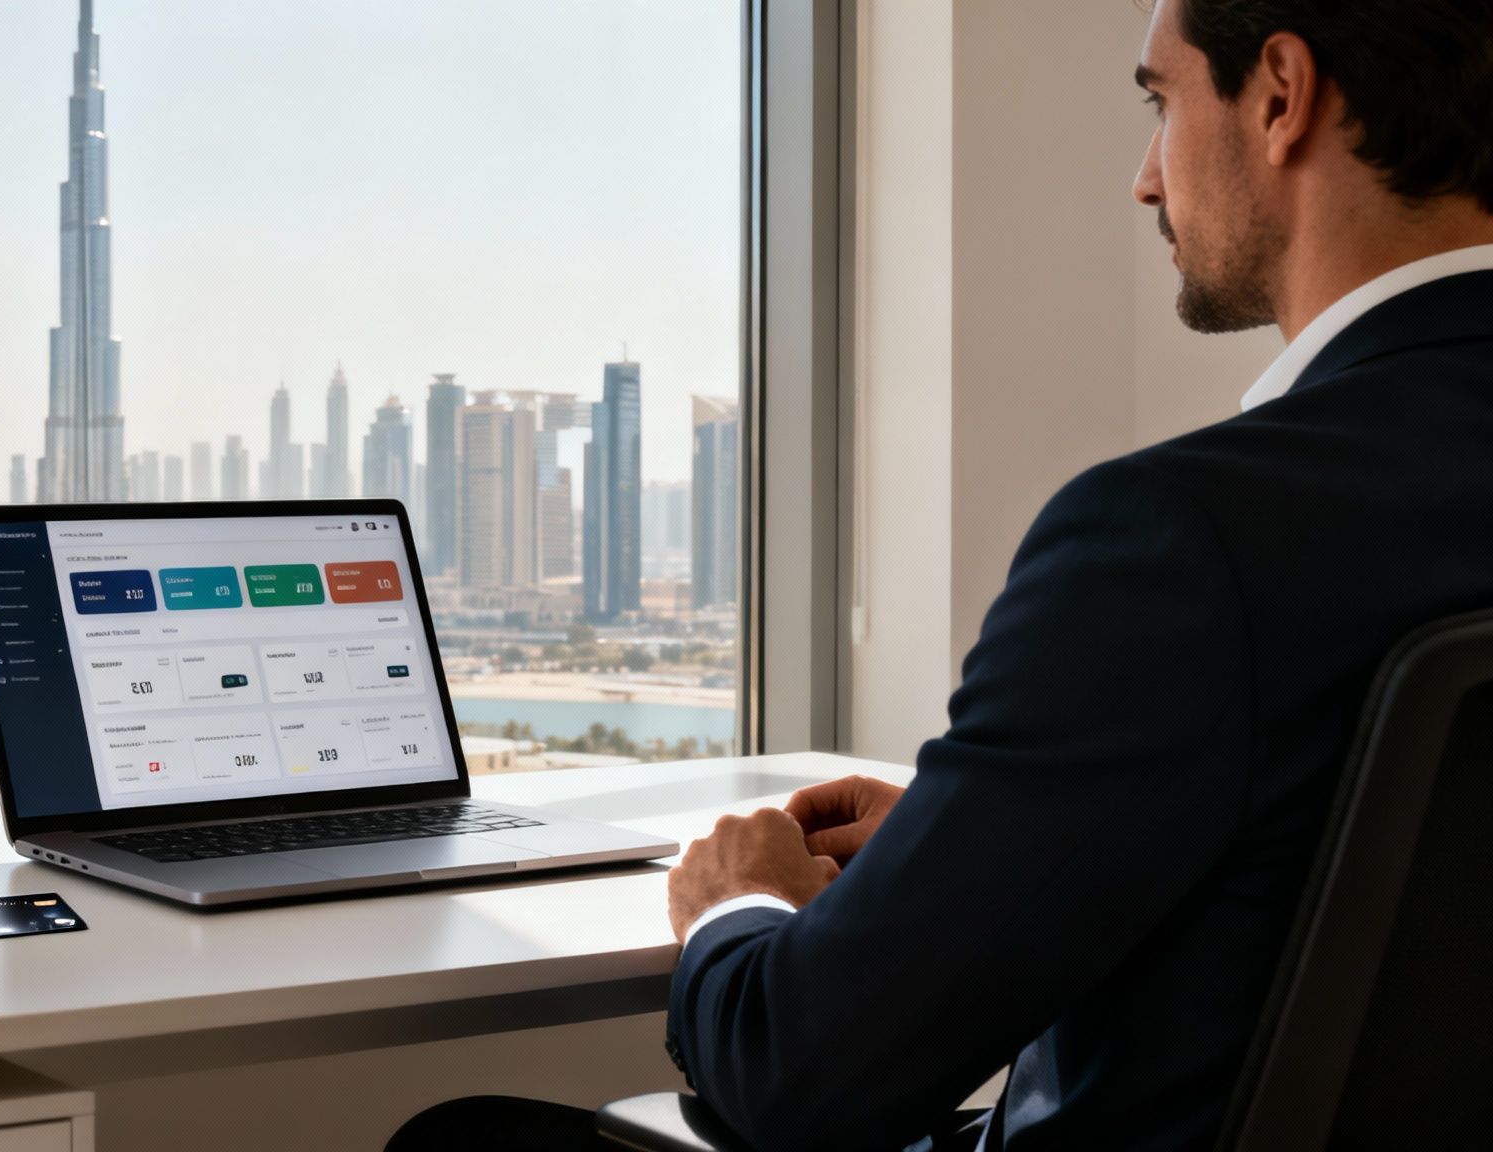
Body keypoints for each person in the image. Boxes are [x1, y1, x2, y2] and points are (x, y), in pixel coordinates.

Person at [389, 0, 1493, 1147]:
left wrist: (738, 905)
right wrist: (981, 839)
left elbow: (795, 1074)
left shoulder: (1175, 536)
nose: (1145, 180)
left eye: (1158, 103)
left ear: (1277, 94)